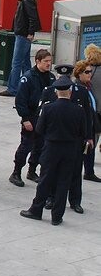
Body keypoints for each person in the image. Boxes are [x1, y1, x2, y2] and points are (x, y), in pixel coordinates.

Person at [19, 76, 86, 226]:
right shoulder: (79, 110)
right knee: (64, 182)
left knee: (45, 180)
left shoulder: (48, 108)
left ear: (56, 92)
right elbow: (83, 131)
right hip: (70, 149)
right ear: (70, 92)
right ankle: (57, 216)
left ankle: (36, 210)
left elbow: (39, 129)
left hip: (51, 148)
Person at [40, 65, 93, 214]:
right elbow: (42, 116)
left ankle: (75, 201)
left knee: (76, 171)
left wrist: (89, 136)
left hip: (75, 139)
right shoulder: (49, 91)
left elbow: (87, 116)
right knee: (52, 171)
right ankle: (51, 198)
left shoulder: (81, 92)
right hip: (54, 139)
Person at [8, 49, 55, 187]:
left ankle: (32, 170)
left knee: (40, 146)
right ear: (37, 61)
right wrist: (25, 119)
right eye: (45, 61)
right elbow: (20, 100)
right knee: (26, 146)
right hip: (31, 117)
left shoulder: (51, 78)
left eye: (50, 61)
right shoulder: (28, 77)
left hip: (44, 119)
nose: (48, 64)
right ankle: (16, 172)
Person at [0, 0, 40, 97]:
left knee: (16, 62)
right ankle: (29, 86)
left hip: (23, 34)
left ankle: (13, 88)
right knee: (25, 62)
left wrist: (30, 32)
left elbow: (32, 18)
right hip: (23, 33)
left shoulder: (26, 0)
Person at [74, 60, 101, 182]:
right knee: (83, 150)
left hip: (91, 121)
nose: (90, 74)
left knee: (90, 148)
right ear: (79, 74)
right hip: (82, 125)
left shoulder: (88, 86)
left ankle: (89, 172)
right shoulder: (78, 88)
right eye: (87, 72)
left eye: (90, 71)